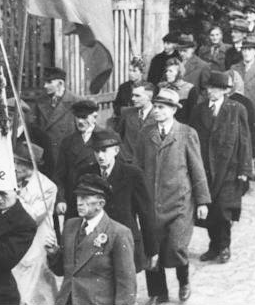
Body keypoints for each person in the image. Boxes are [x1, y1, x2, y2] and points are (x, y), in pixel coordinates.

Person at [134, 88, 211, 304]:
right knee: (152, 248)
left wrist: (202, 201)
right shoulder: (145, 134)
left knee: (177, 247)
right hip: (151, 204)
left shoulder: (186, 133)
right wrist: (136, 198)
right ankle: (158, 292)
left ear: (173, 110)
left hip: (179, 204)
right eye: (155, 107)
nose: (156, 111)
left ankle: (184, 282)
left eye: (161, 107)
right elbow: (137, 167)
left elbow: (197, 169)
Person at [189, 72, 252, 263]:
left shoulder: (236, 109)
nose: (211, 91)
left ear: (225, 90)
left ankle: (224, 246)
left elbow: (245, 140)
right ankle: (213, 246)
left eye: (216, 88)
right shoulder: (199, 110)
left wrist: (245, 170)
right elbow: (191, 139)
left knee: (224, 210)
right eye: (209, 87)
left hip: (229, 167)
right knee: (209, 209)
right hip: (205, 168)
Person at [45, 174, 137, 305]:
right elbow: (64, 271)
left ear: (100, 204)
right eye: (78, 197)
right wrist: (54, 253)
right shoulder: (70, 226)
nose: (79, 202)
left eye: (85, 198)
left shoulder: (118, 233)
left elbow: (126, 283)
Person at [77, 129, 158, 274]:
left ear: (116, 150)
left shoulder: (132, 174)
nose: (100, 156)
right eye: (96, 151)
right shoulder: (86, 173)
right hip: (94, 242)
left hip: (124, 241)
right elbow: (76, 211)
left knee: (124, 283)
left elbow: (146, 213)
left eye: (104, 151)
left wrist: (152, 250)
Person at [12, 142, 59, 305]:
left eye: (19, 163)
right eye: (14, 162)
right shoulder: (11, 181)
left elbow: (32, 218)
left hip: (37, 245)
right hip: (15, 246)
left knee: (38, 293)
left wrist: (15, 197)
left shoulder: (47, 187)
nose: (14, 167)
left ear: (32, 166)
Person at [229, 35, 255, 181]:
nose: (247, 53)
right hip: (238, 110)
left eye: (250, 50)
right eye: (244, 50)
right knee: (241, 140)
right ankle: (243, 170)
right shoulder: (235, 68)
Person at [56, 99, 101, 219]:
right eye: (77, 117)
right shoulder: (68, 142)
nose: (80, 121)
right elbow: (59, 175)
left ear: (94, 117)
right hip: (73, 202)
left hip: (97, 201)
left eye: (84, 117)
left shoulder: (105, 138)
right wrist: (60, 199)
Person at [32, 67, 77, 170]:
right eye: (44, 82)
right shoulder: (40, 102)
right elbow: (34, 130)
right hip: (46, 158)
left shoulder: (76, 102)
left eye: (49, 82)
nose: (45, 86)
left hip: (67, 159)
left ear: (60, 83)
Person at [115, 81, 157, 164]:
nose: (133, 99)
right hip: (127, 162)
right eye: (132, 95)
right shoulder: (126, 112)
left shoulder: (159, 115)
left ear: (149, 97)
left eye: (137, 96)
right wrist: (123, 155)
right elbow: (118, 135)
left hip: (150, 163)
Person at [158, 57, 198, 123]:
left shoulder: (190, 88)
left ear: (179, 73)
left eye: (170, 71)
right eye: (166, 71)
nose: (167, 73)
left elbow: (192, 115)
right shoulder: (161, 87)